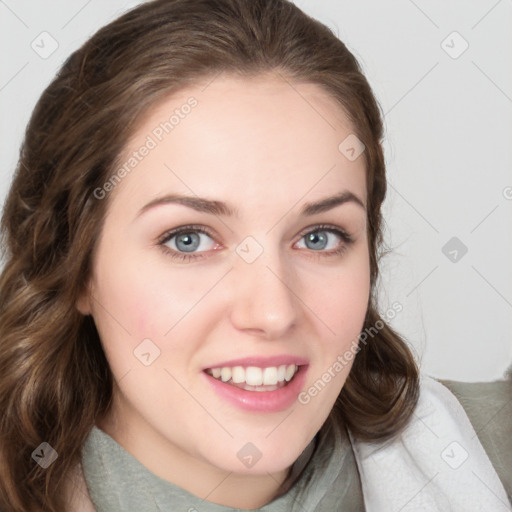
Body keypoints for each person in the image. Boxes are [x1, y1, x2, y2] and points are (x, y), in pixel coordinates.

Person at [0, 0, 510, 510]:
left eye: (319, 237)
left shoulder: (490, 450)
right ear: (76, 265)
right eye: (189, 239)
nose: (272, 312)